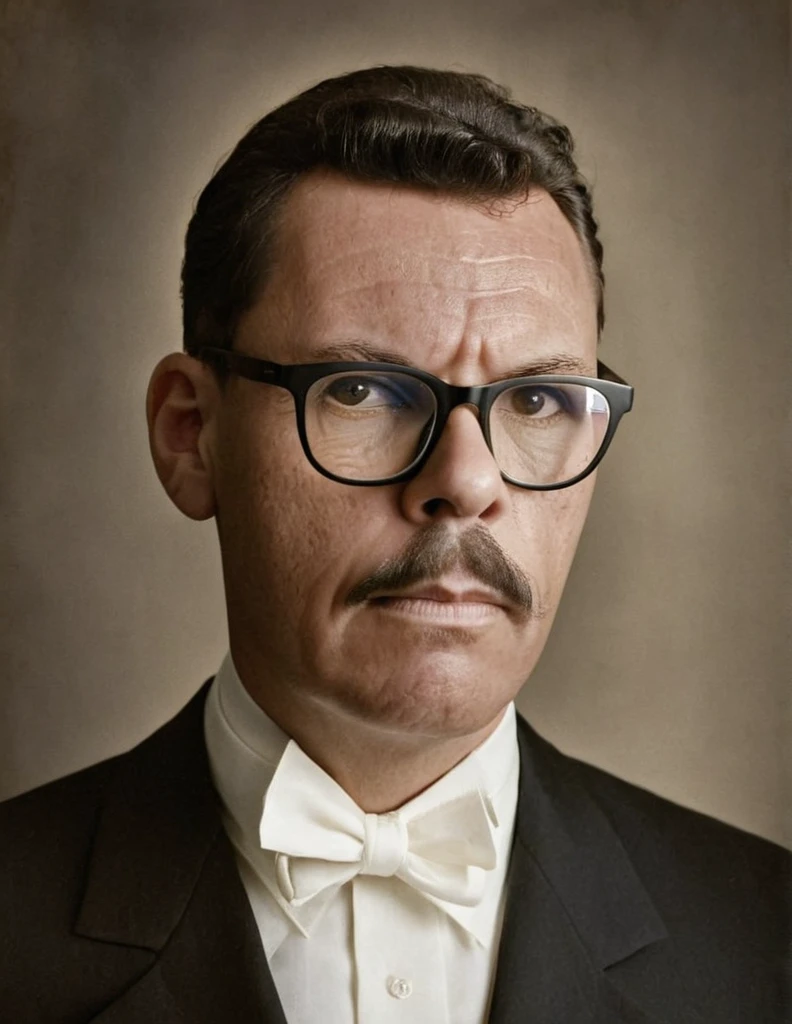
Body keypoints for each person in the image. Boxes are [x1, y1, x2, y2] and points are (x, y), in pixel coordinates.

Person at [0, 65, 788, 1024]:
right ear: (189, 435)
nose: (466, 480)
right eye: (365, 390)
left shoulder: (766, 942)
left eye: (536, 400)